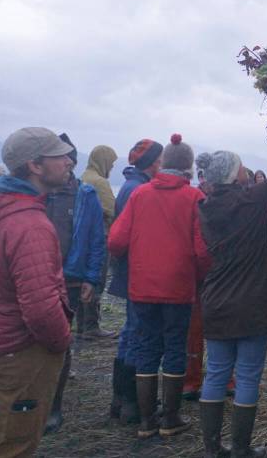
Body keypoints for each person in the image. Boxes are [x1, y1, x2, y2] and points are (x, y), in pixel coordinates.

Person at [196, 110, 267, 458]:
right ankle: (240, 448)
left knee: (215, 373)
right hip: (253, 302)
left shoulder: (206, 208)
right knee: (248, 376)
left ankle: (212, 449)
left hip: (217, 301)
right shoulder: (251, 200)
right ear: (234, 174)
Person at [108, 134, 211, 440]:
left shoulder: (139, 195)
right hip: (178, 287)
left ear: (163, 163)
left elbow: (115, 241)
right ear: (188, 167)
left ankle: (146, 422)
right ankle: (171, 418)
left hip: (141, 288)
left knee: (146, 348)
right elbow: (203, 250)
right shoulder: (194, 198)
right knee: (175, 349)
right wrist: (200, 276)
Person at [0, 127, 75, 457]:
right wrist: (61, 342)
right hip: (22, 353)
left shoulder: (8, 210)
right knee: (15, 442)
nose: (68, 161)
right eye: (58, 156)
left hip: (6, 345)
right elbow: (41, 308)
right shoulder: (29, 224)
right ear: (35, 165)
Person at [43, 134, 107, 434]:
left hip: (69, 277)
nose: (68, 165)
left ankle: (53, 405)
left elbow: (96, 240)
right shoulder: (38, 194)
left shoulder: (86, 195)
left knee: (61, 342)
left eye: (70, 160)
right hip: (35, 275)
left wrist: (91, 278)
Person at [108, 137, 163, 424]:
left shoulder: (129, 185)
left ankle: (121, 400)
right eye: (160, 159)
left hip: (129, 269)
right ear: (153, 162)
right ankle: (131, 401)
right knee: (138, 333)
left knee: (130, 331)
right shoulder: (139, 190)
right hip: (137, 271)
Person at [79, 144, 119, 339]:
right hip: (100, 236)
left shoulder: (83, 177)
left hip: (82, 238)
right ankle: (91, 326)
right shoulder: (99, 182)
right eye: (110, 164)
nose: (111, 168)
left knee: (83, 279)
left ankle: (81, 325)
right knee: (97, 280)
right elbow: (112, 210)